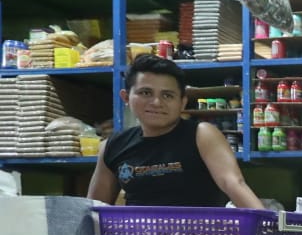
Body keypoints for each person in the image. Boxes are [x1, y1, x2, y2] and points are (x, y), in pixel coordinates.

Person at [88, 54, 264, 209]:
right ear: (126, 97)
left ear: (183, 102)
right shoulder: (113, 146)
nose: (156, 102)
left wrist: (272, 229)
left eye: (167, 95)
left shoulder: (202, 135)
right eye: (146, 92)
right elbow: (93, 209)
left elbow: (234, 183)